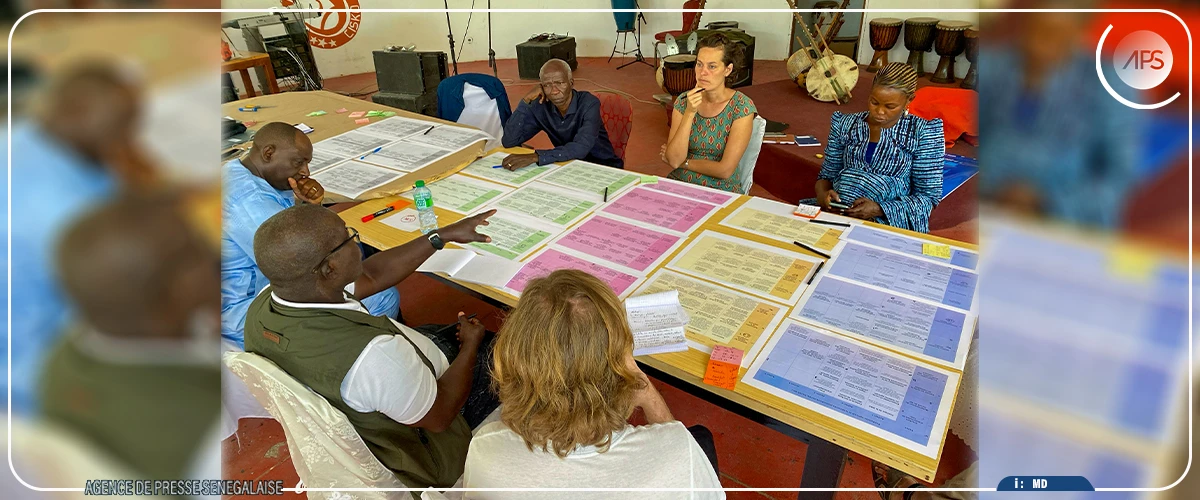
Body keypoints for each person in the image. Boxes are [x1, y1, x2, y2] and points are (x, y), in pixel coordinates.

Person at [244, 204, 501, 489]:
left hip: (391, 387)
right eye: (348, 237)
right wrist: (470, 345)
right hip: (435, 427)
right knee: (509, 351)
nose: (356, 242)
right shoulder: (371, 356)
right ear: (330, 268)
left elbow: (372, 276)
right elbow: (441, 415)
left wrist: (439, 236)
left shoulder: (274, 301)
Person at [461, 269, 723, 499]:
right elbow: (673, 446)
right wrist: (645, 389)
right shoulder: (677, 449)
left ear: (513, 359)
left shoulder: (486, 448)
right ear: (619, 366)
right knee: (700, 438)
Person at [40, 192, 221, 482]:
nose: (213, 251)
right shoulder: (205, 436)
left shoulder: (73, 345)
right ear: (163, 311)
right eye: (192, 253)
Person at [9, 61, 155, 414]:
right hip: (35, 371)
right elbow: (121, 296)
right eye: (122, 123)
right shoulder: (62, 208)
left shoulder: (29, 138)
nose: (131, 134)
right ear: (76, 112)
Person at [222, 122, 399, 347]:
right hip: (242, 311)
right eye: (298, 162)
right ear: (268, 153)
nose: (305, 171)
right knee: (381, 296)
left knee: (356, 263)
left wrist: (308, 207)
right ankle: (349, 362)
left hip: (247, 289)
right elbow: (305, 265)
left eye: (307, 162)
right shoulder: (249, 202)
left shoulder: (236, 170)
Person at [978, 10, 1137, 227]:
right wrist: (992, 191)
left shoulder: (1110, 83)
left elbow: (1118, 178)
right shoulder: (992, 66)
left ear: (1079, 33)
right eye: (1036, 28)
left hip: (1065, 223)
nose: (1039, 43)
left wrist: (1046, 203)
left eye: (1055, 33)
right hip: (986, 208)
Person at [811, 63, 945, 233]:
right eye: (874, 102)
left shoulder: (922, 132)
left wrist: (879, 209)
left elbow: (928, 197)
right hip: (835, 214)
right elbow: (827, 175)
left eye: (890, 106)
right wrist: (823, 196)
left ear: (909, 100)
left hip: (888, 224)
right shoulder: (845, 124)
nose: (879, 112)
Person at [660, 33, 757, 193]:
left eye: (712, 66)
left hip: (720, 189)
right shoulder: (684, 102)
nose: (703, 72)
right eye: (699, 64)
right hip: (680, 183)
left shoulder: (741, 107)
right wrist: (690, 112)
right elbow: (674, 159)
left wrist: (686, 163)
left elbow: (725, 170)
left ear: (728, 69)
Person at [500, 59, 623, 170]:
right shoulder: (542, 106)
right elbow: (509, 141)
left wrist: (536, 157)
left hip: (604, 168)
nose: (554, 91)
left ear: (571, 82)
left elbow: (580, 148)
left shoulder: (589, 104)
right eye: (547, 85)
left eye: (560, 83)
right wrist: (526, 100)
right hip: (568, 166)